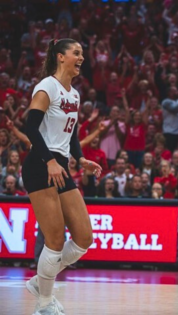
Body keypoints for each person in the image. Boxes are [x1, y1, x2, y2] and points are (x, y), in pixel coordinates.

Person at [22, 38, 102, 315]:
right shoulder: (47, 86)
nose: (81, 58)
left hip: (60, 164)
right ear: (60, 56)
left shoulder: (75, 94)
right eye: (76, 53)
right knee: (54, 241)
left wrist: (80, 158)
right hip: (40, 163)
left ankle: (39, 282)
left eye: (82, 54)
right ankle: (44, 304)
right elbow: (30, 127)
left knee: (84, 238)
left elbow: (72, 133)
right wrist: (49, 162)